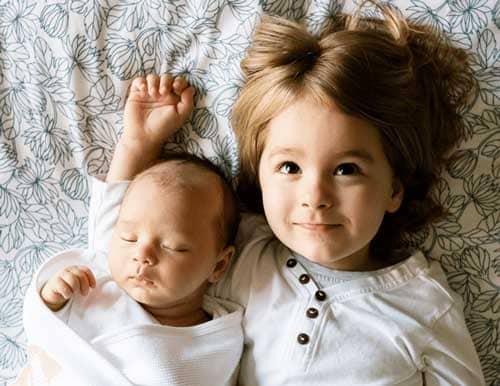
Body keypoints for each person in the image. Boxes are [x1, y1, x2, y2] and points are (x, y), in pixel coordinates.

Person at [87, 2, 485, 385]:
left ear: (394, 190)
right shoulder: (240, 258)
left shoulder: (425, 307)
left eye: (347, 170)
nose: (315, 195)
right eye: (290, 168)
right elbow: (117, 255)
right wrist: (137, 147)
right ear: (260, 180)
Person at [18, 76, 243, 386]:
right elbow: (44, 332)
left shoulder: (219, 341)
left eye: (173, 246)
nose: (142, 254)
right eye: (129, 238)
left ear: (218, 265)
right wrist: (52, 298)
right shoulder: (97, 276)